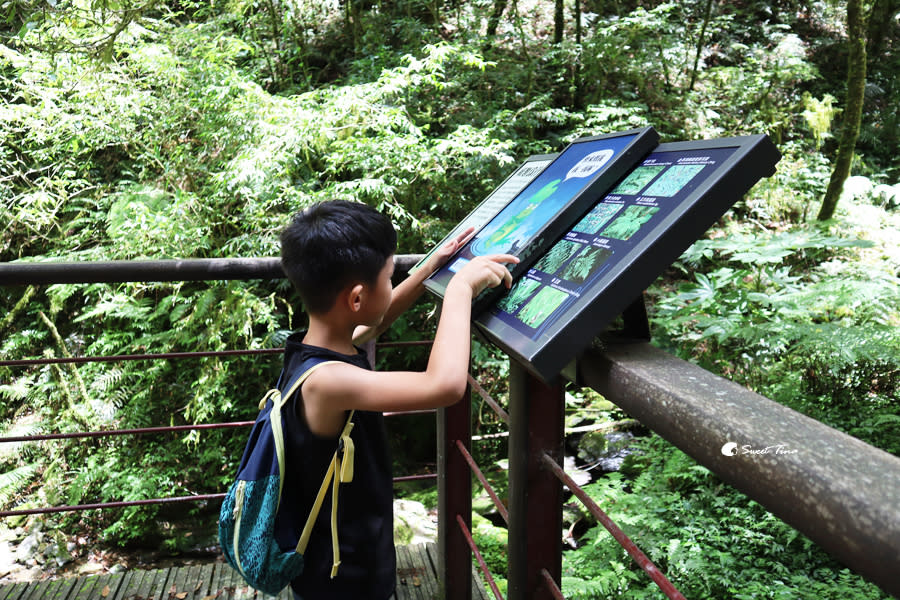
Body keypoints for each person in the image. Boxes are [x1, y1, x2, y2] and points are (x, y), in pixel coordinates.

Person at [276, 200, 517, 600]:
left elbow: (375, 320)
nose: (392, 284)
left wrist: (428, 270)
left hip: (334, 564)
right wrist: (460, 289)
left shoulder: (312, 352)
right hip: (343, 578)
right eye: (389, 277)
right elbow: (444, 385)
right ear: (356, 299)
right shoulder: (329, 383)